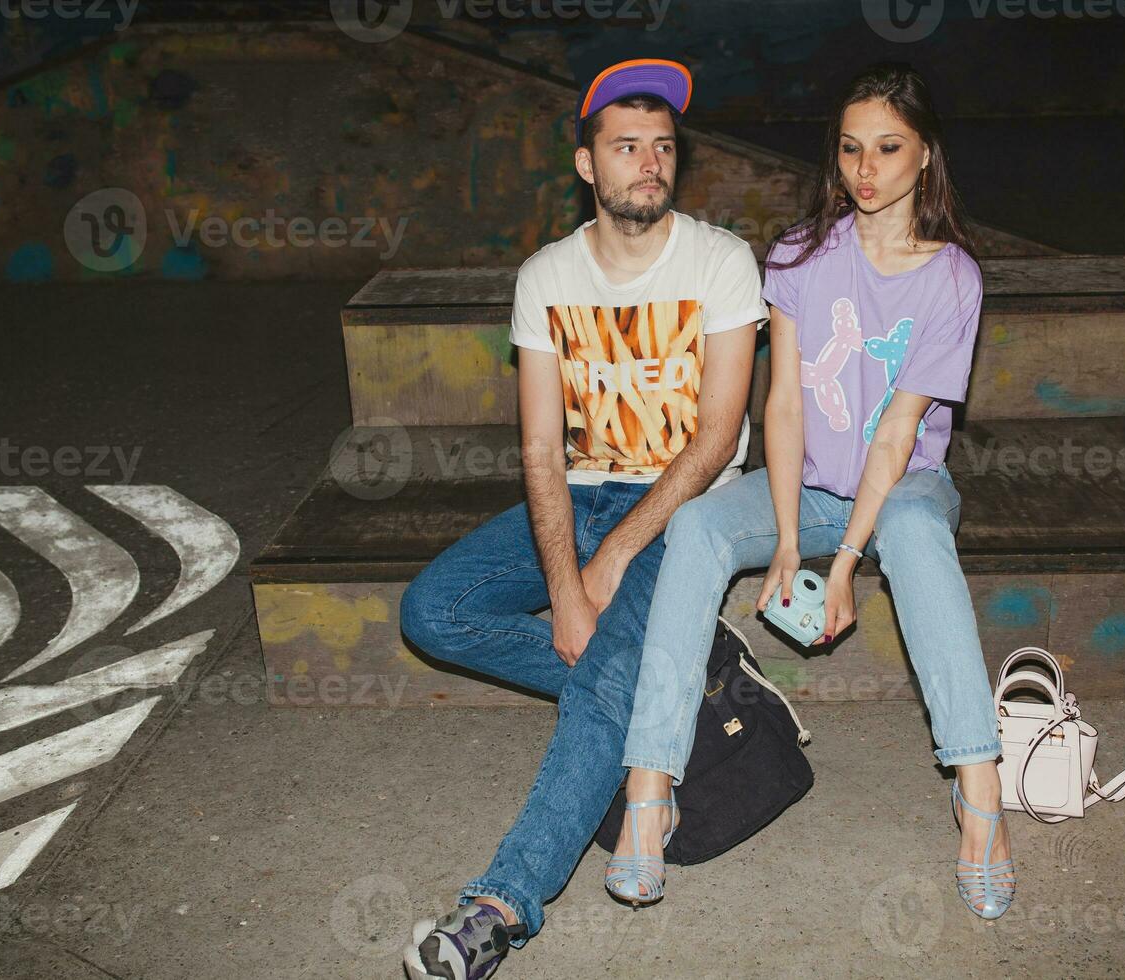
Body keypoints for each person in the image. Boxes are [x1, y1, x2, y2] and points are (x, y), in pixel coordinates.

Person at [609, 61, 1015, 920]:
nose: (866, 169)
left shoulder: (952, 279)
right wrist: (791, 542)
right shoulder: (799, 256)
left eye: (888, 148)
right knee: (698, 529)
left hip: (903, 489)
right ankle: (651, 788)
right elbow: (782, 402)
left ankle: (980, 798)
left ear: (925, 156)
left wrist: (845, 564)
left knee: (913, 533)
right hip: (804, 485)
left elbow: (900, 435)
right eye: (850, 149)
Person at [398, 58, 768, 980]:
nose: (649, 163)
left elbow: (718, 439)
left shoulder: (722, 260)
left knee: (604, 680)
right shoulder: (547, 278)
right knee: (434, 612)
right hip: (585, 492)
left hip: (685, 504)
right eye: (626, 146)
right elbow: (539, 452)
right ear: (585, 164)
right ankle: (659, 692)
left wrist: (607, 570)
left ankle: (498, 906)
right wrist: (567, 585)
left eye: (663, 147)